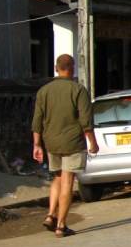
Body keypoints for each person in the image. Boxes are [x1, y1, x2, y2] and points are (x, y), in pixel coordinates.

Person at [31, 54, 98, 237]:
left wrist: (37, 144)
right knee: (68, 181)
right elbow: (86, 121)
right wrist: (93, 142)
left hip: (50, 142)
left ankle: (51, 214)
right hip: (72, 142)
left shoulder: (43, 91)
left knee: (57, 178)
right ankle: (61, 225)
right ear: (73, 68)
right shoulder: (78, 90)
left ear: (56, 68)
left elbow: (37, 120)